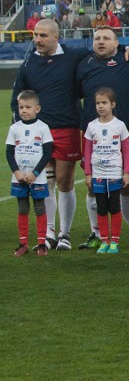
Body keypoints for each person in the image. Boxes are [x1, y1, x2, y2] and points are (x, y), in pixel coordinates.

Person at [12, 19, 129, 250]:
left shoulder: (74, 56)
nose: (37, 40)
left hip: (68, 126)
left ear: (56, 37)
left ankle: (64, 233)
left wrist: (125, 48)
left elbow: (103, 47)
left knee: (65, 182)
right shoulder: (28, 64)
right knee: (44, 182)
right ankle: (49, 232)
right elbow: (18, 96)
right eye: (35, 35)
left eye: (42, 36)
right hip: (41, 130)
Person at [76, 26, 129, 250]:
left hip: (123, 132)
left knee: (126, 184)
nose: (101, 42)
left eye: (107, 38)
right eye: (97, 38)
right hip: (91, 134)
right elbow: (77, 92)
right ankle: (96, 232)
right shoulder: (83, 65)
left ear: (117, 43)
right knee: (92, 186)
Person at [82, 88, 129, 254]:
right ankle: (104, 240)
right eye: (98, 103)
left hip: (114, 173)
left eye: (104, 103)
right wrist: (88, 174)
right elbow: (87, 151)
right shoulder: (91, 126)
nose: (101, 106)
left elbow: (126, 151)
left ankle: (115, 241)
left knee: (115, 206)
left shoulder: (119, 126)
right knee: (101, 207)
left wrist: (126, 173)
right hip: (98, 174)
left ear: (113, 104)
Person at [7, 90, 53, 257]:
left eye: (28, 107)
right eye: (21, 107)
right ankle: (23, 244)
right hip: (19, 177)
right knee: (22, 208)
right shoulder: (14, 128)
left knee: (40, 208)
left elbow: (47, 153)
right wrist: (17, 172)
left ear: (37, 109)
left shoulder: (43, 128)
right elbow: (9, 152)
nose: (24, 110)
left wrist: (34, 173)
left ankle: (41, 244)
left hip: (37, 177)